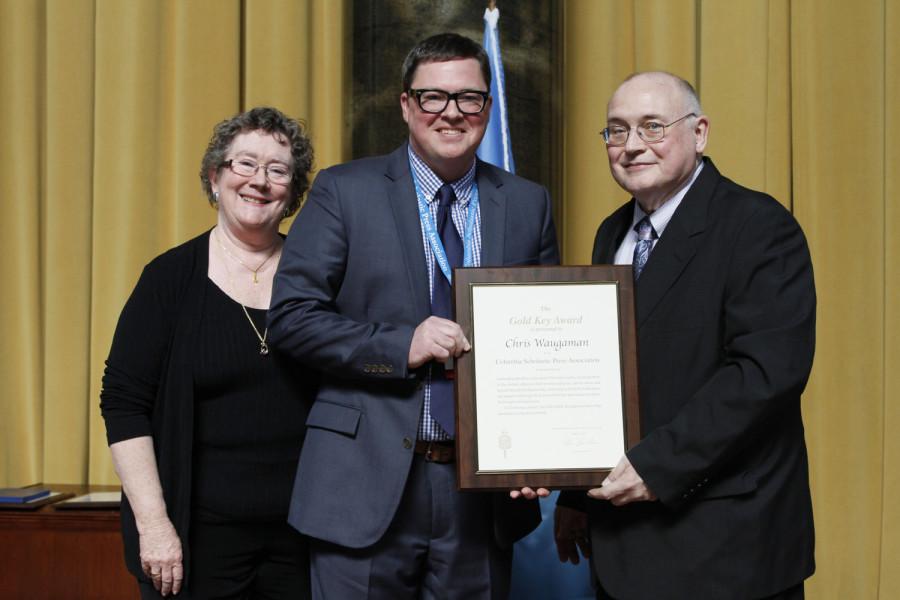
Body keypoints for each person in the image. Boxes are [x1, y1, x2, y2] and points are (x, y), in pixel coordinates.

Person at [268, 33, 559, 599]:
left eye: (469, 98)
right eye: (433, 97)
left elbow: (543, 333)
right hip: (362, 483)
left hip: (480, 497)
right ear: (406, 105)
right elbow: (293, 318)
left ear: (488, 109)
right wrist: (401, 345)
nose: (451, 112)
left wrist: (539, 447)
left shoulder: (528, 203)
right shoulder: (343, 190)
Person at [555, 71, 816, 599]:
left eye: (652, 126)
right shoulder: (612, 232)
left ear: (699, 134)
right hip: (622, 543)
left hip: (724, 544)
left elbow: (763, 376)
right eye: (616, 130)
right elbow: (605, 374)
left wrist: (655, 466)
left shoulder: (758, 226)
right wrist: (576, 495)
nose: (631, 146)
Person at [100, 107, 316, 599]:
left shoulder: (317, 277)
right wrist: (154, 526)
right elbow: (124, 404)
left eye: (277, 170)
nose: (259, 181)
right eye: (244, 164)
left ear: (293, 192)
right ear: (215, 178)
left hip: (305, 540)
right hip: (195, 539)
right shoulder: (168, 279)